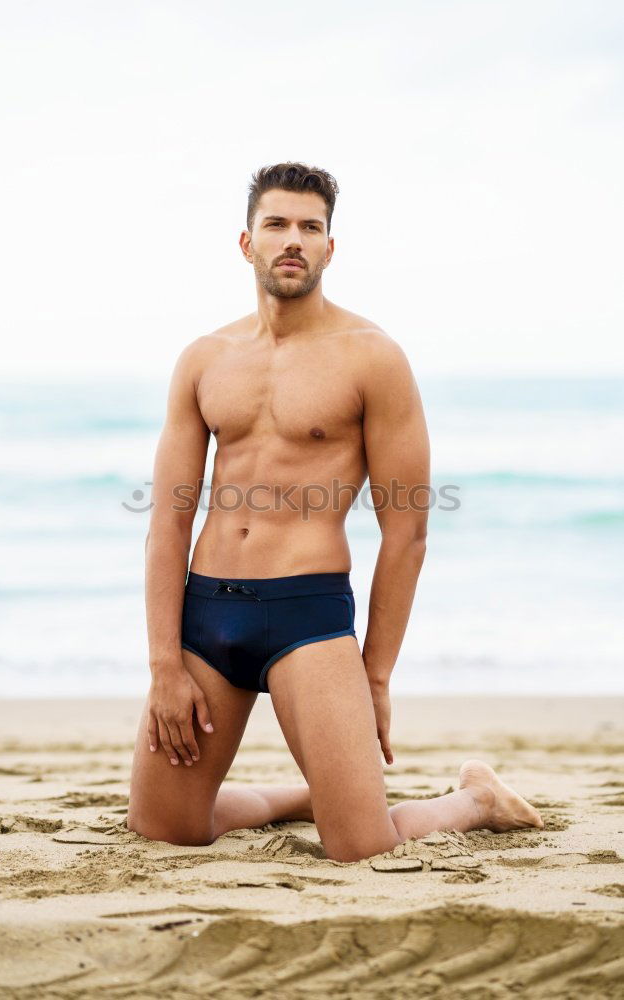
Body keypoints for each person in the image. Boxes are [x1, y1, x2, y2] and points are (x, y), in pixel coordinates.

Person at [126, 162, 543, 862]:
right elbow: (167, 521)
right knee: (166, 828)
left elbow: (406, 532)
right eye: (277, 225)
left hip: (307, 619)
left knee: (360, 846)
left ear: (329, 247)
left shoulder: (371, 358)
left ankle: (475, 799)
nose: (293, 239)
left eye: (310, 227)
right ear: (246, 242)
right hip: (206, 617)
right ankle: (312, 792)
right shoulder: (204, 359)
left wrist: (375, 674)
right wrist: (164, 665)